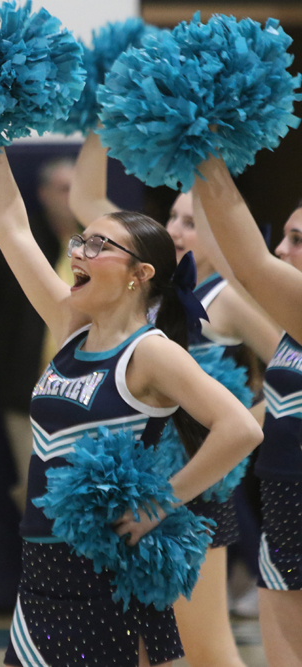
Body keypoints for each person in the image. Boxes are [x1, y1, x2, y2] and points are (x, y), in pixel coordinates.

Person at [0, 146, 262, 667]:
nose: (79, 251)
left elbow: (240, 427)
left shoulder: (151, 351)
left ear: (139, 273)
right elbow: (10, 227)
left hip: (107, 567)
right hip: (41, 559)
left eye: (99, 245)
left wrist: (163, 501)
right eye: (82, 240)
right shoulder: (69, 327)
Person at [69, 132, 280, 667]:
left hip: (192, 487)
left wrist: (236, 423)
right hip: (137, 481)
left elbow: (289, 370)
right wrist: (100, 124)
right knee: (145, 648)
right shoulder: (149, 292)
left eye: (193, 221)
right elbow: (85, 202)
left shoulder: (225, 297)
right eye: (174, 219)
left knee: (205, 647)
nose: (179, 230)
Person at [196, 155, 302, 667]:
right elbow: (232, 256)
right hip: (283, 500)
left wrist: (206, 147)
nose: (282, 249)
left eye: (298, 239)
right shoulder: (289, 321)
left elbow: (250, 263)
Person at [0, 156, 80, 512]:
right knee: (38, 495)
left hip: (89, 391)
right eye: (63, 188)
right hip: (30, 390)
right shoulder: (19, 243)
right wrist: (7, 354)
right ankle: (42, 564)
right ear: (42, 194)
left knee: (86, 494)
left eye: (78, 189)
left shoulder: (97, 246)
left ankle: (87, 566)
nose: (71, 198)